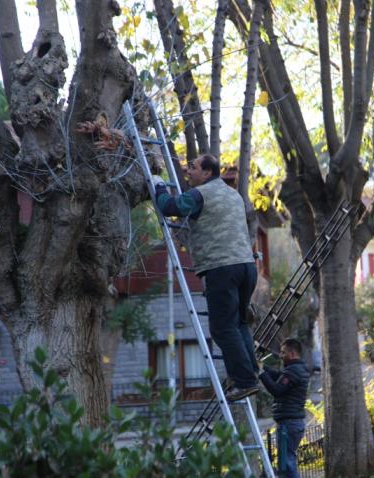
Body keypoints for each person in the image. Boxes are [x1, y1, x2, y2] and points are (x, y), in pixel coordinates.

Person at [152, 153, 260, 402]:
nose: (188, 171)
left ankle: (245, 381)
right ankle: (250, 372)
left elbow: (171, 208)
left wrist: (159, 186)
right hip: (246, 266)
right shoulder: (233, 195)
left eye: (193, 167)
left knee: (222, 328)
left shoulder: (201, 194)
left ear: (208, 172)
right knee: (239, 323)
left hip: (222, 268)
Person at [259, 338, 310, 478]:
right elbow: (278, 377)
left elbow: (277, 390)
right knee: (287, 462)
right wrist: (263, 367)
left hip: (289, 424)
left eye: (283, 353)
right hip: (292, 423)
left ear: (292, 353)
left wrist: (261, 373)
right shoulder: (296, 369)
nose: (280, 356)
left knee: (287, 464)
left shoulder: (293, 370)